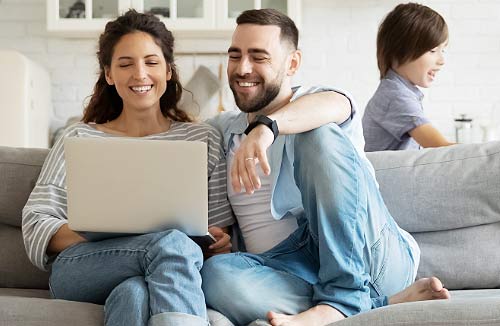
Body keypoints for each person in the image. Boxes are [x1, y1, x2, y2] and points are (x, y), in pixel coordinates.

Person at [201, 8, 450, 326]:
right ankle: (376, 303)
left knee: (315, 132)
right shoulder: (224, 131)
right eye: (235, 56)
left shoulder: (318, 101)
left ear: (292, 63)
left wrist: (267, 127)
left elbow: (334, 105)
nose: (242, 68)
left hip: (369, 253)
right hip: (290, 267)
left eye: (258, 56)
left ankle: (343, 296)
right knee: (215, 276)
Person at [21, 10, 234, 326]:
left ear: (168, 70)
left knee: (134, 294)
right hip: (82, 269)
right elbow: (36, 225)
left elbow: (219, 233)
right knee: (171, 243)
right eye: (125, 64)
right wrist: (109, 230)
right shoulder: (78, 137)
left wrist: (220, 240)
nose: (140, 74)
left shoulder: (203, 138)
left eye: (151, 62)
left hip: (168, 269)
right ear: (108, 74)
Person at [362, 3, 455, 152]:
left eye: (443, 50)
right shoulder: (395, 97)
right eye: (432, 50)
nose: (441, 60)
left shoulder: (399, 92)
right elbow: (442, 149)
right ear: (399, 51)